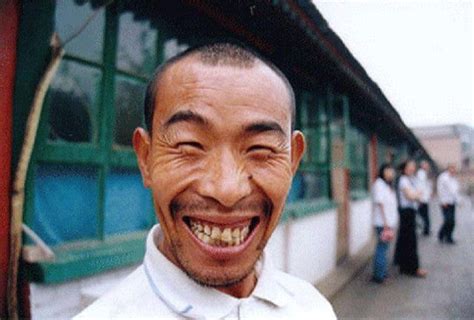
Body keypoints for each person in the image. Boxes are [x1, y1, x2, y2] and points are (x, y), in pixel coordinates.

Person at [75, 42, 336, 319]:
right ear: (146, 158)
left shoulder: (312, 309)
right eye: (189, 146)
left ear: (293, 161)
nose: (227, 190)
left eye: (260, 149)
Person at [394, 160, 428, 278]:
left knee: (405, 240)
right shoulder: (404, 180)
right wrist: (417, 194)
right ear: (404, 168)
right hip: (406, 213)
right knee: (411, 241)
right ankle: (413, 268)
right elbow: (411, 196)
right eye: (409, 167)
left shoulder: (410, 180)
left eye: (413, 166)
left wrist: (417, 195)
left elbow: (417, 196)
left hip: (410, 212)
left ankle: (403, 266)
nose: (412, 168)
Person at [371, 164, 398, 284]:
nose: (390, 173)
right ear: (382, 171)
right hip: (383, 223)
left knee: (384, 248)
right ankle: (379, 276)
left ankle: (382, 272)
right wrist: (386, 223)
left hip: (388, 222)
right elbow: (380, 204)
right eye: (388, 170)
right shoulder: (379, 184)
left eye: (392, 171)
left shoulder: (387, 185)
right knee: (381, 248)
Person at [437, 164, 460, 244]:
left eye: (454, 168)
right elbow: (440, 190)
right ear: (448, 168)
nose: (453, 170)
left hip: (452, 202)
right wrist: (443, 201)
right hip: (445, 202)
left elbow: (455, 191)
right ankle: (442, 234)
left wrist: (458, 201)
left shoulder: (453, 178)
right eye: (452, 168)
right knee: (448, 220)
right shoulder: (443, 177)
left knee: (452, 221)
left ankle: (448, 237)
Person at [416, 160, 432, 236]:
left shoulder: (424, 174)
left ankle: (426, 229)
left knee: (425, 214)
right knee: (423, 215)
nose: (427, 166)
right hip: (422, 199)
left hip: (425, 198)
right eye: (426, 165)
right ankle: (425, 229)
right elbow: (420, 187)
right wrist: (420, 198)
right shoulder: (421, 174)